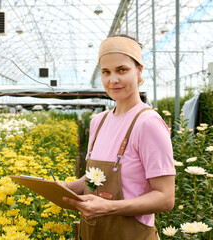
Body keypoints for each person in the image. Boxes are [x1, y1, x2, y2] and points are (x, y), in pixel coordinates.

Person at [62, 35, 176, 240]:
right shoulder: (99, 121)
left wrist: (110, 207)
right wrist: (66, 188)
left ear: (139, 70)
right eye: (106, 72)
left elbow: (166, 197)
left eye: (122, 70)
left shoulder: (147, 123)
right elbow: (94, 177)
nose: (112, 79)